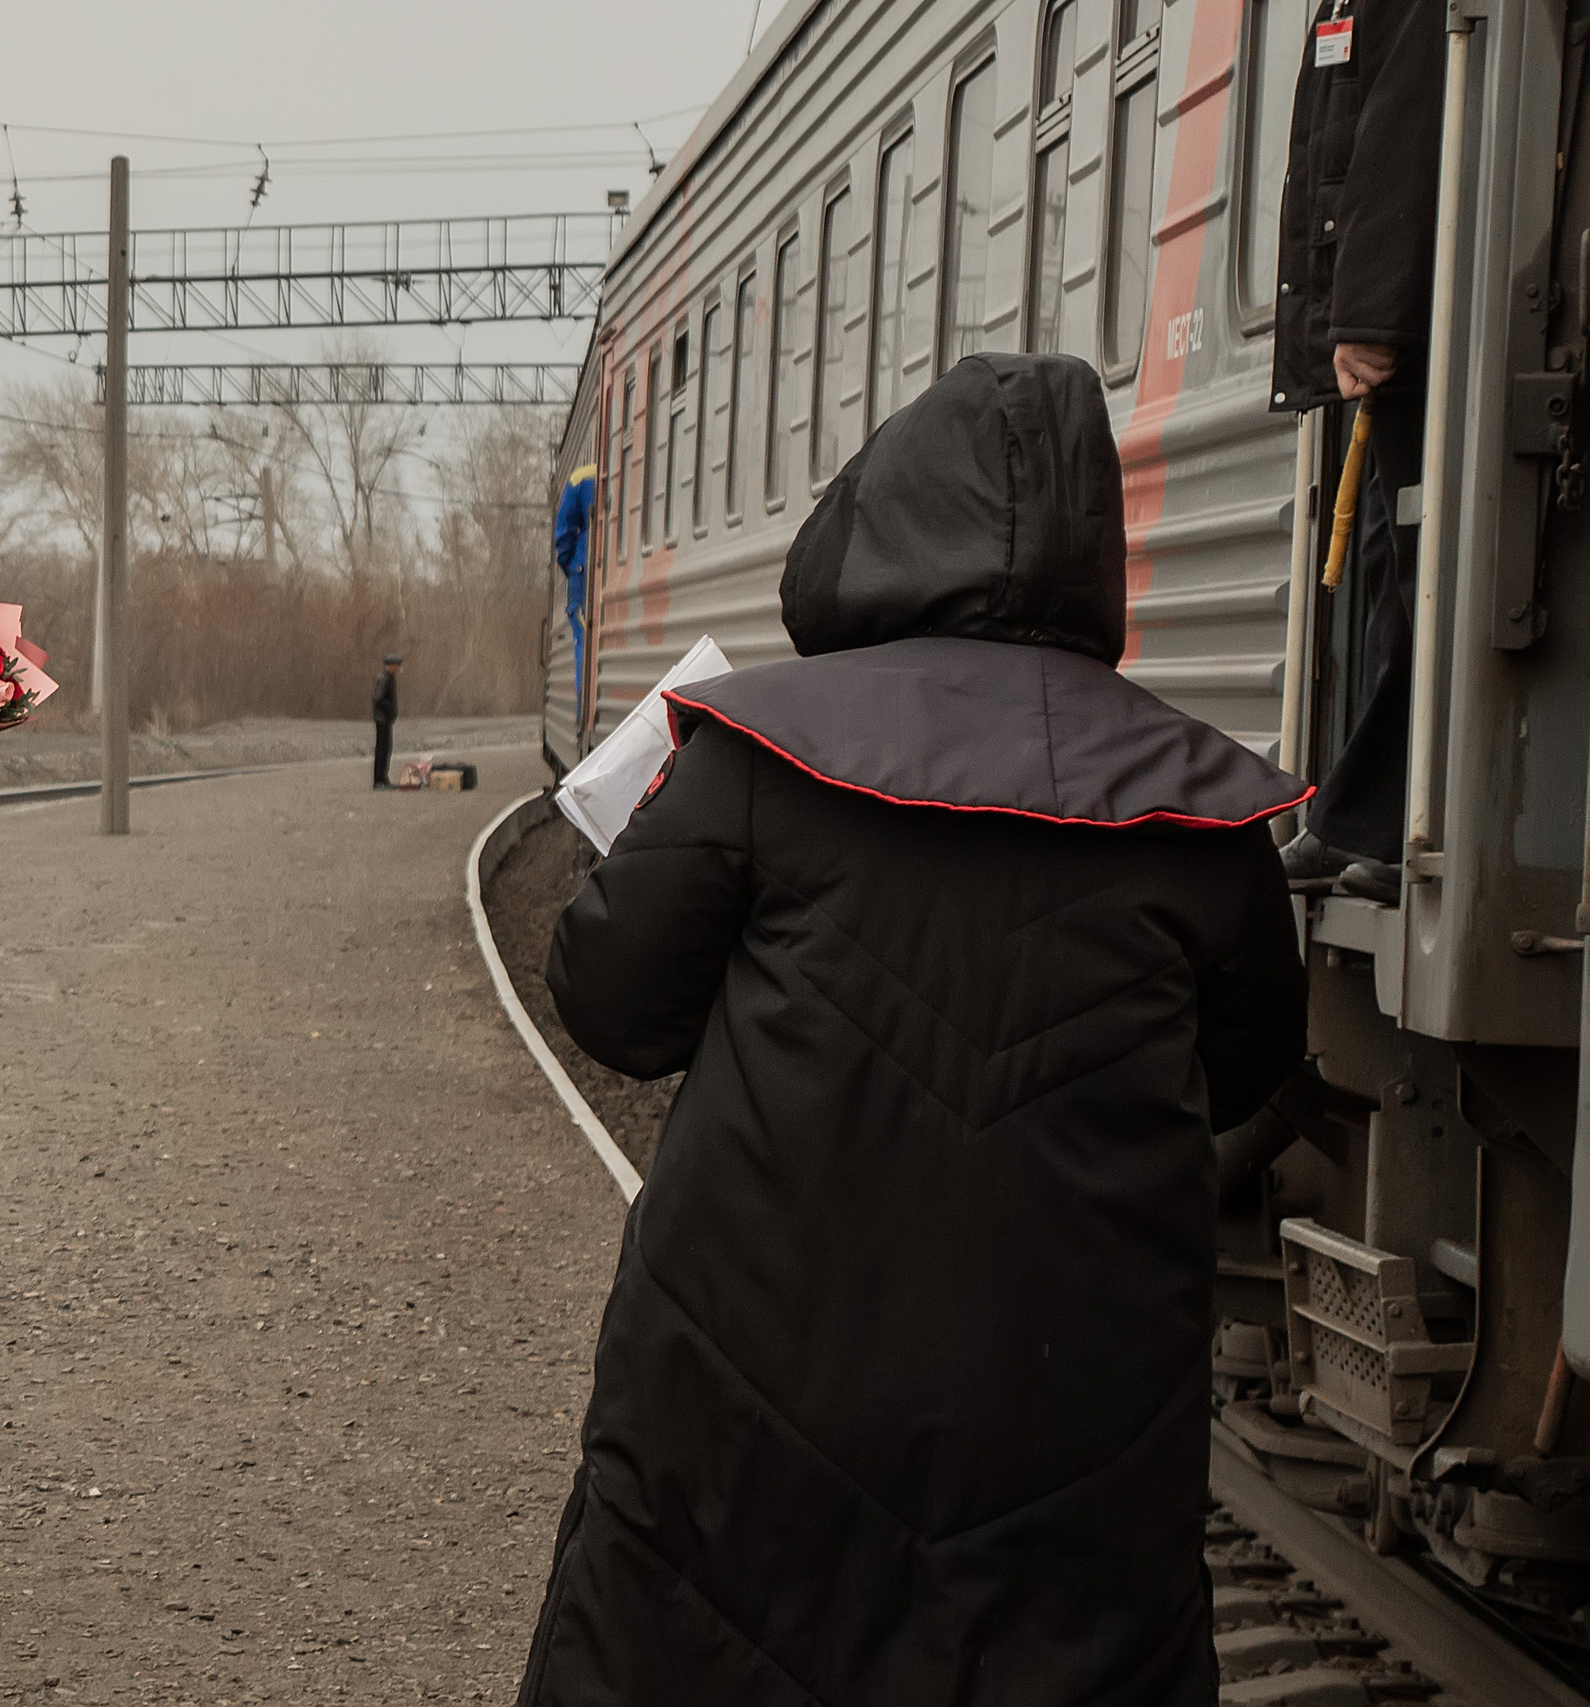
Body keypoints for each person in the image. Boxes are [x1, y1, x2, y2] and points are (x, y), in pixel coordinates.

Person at [514, 355, 1309, 1705]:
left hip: (744, 1408)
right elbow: (1248, 1074)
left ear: (880, 517)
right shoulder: (1199, 812)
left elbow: (608, 1000)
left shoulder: (760, 750)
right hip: (1072, 1441)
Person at [1271, 0, 1448, 904]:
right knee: (1394, 569)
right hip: (1408, 318)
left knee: (1415, 579)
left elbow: (1407, 116)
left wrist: (1370, 315)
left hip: (1416, 320)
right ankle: (1368, 819)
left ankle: (1381, 819)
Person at [372, 652, 402, 789]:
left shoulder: (388, 677)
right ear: (391, 665)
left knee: (386, 749)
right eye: (396, 665)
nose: (398, 668)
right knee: (382, 750)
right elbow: (378, 698)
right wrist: (390, 709)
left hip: (385, 719)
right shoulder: (384, 678)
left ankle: (383, 779)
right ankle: (379, 781)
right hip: (382, 719)